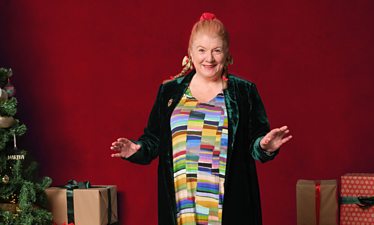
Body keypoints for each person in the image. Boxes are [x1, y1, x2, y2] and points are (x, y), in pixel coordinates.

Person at [110, 12, 292, 225]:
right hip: (182, 207)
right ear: (190, 52)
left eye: (217, 50)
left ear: (227, 54)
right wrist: (136, 149)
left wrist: (265, 146)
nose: (209, 58)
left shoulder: (243, 92)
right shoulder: (169, 92)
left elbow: (255, 145)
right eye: (202, 50)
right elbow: (154, 140)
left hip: (230, 208)